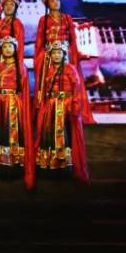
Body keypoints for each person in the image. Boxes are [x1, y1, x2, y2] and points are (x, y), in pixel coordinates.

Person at [34, 41, 91, 185]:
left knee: (64, 136)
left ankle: (65, 168)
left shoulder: (70, 69)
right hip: (51, 107)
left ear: (64, 54)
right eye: (54, 53)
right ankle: (51, 168)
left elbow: (76, 88)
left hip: (65, 106)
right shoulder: (48, 70)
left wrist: (74, 106)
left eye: (59, 52)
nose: (56, 55)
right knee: (49, 136)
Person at [34, 0, 94, 122]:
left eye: (57, 0)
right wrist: (42, 55)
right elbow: (40, 41)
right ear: (47, 4)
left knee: (68, 80)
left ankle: (70, 108)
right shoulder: (43, 20)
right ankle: (50, 111)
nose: (55, 3)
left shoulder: (67, 18)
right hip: (51, 54)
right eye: (52, 1)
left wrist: (72, 55)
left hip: (65, 53)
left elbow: (72, 39)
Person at [0, 36, 35, 189]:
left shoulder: (21, 67)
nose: (7, 49)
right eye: (4, 47)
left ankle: (13, 167)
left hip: (13, 102)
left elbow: (24, 89)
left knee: (12, 133)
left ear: (15, 49)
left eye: (10, 46)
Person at [0, 0, 25, 69]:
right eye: (6, 4)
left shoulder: (17, 23)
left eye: (12, 5)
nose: (9, 7)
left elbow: (19, 45)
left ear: (15, 8)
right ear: (3, 7)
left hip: (10, 57)